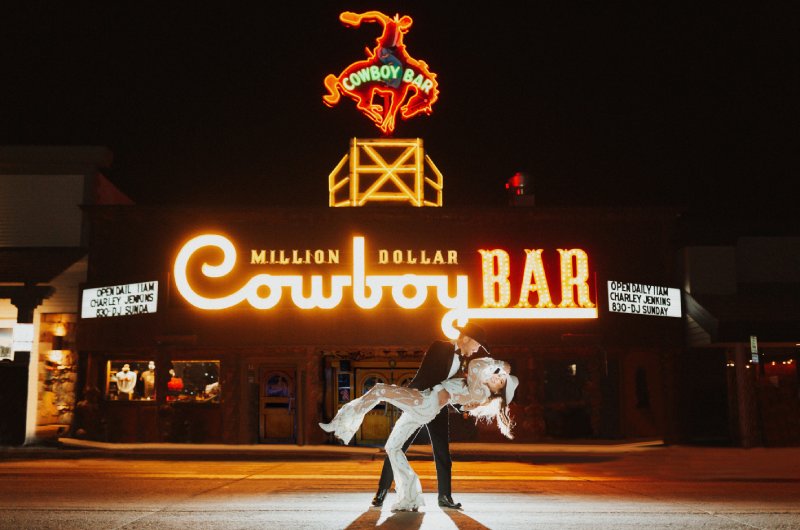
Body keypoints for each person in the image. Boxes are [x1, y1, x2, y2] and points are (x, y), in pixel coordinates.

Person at [320, 354, 518, 512]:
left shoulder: (481, 392)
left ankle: (340, 424)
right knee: (392, 447)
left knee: (380, 389)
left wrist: (500, 363)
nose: (497, 377)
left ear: (496, 393)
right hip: (426, 405)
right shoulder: (478, 387)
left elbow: (475, 364)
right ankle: (409, 495)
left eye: (501, 382)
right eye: (499, 375)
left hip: (426, 403)